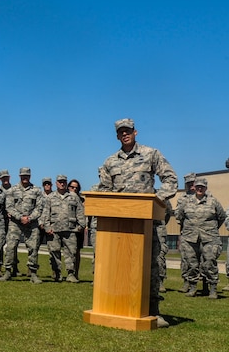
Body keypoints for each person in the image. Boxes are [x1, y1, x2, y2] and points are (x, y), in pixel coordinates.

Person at [97, 118, 177, 328]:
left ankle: (153, 311)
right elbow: (105, 190)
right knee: (121, 265)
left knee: (153, 265)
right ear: (117, 136)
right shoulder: (110, 162)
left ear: (135, 132)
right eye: (121, 132)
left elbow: (170, 179)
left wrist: (157, 199)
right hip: (120, 224)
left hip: (149, 220)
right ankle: (119, 307)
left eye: (128, 131)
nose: (125, 134)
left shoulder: (151, 154)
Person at [176, 177, 226, 299]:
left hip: (209, 237)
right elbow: (180, 217)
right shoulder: (186, 202)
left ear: (205, 188)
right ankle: (193, 287)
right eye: (197, 186)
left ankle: (212, 288)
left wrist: (210, 228)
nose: (199, 188)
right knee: (192, 264)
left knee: (209, 263)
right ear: (194, 187)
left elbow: (221, 216)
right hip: (190, 238)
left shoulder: (213, 201)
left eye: (202, 187)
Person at [0, 167, 44, 283]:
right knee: (10, 247)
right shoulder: (12, 190)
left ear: (30, 176)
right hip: (15, 223)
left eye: (27, 175)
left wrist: (29, 218)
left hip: (31, 223)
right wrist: (20, 217)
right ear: (19, 176)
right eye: (23, 175)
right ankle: (8, 271)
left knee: (33, 248)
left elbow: (39, 208)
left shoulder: (36, 190)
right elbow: (9, 207)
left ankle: (33, 273)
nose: (25, 177)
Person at [41, 175, 85, 283]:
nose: (62, 183)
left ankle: (71, 274)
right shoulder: (50, 197)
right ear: (56, 183)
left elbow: (80, 212)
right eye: (60, 182)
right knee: (54, 252)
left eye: (64, 182)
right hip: (54, 230)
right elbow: (45, 213)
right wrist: (47, 227)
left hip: (70, 229)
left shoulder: (73, 197)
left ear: (66, 183)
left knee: (71, 253)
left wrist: (81, 225)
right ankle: (57, 273)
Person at [176, 172, 197, 293]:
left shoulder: (204, 196)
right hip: (186, 232)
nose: (191, 186)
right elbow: (178, 215)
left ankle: (204, 285)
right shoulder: (182, 198)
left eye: (192, 183)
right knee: (185, 259)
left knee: (202, 259)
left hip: (203, 233)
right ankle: (186, 283)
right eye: (188, 183)